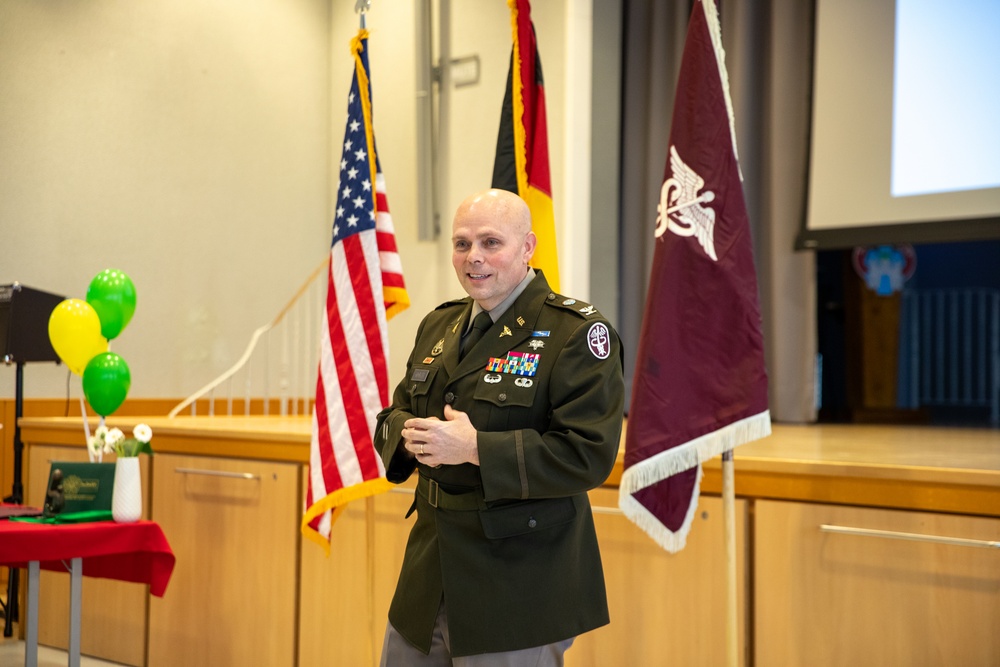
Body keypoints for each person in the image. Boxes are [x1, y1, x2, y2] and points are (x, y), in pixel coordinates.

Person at [374, 188, 625, 666]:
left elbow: (587, 455)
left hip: (517, 584)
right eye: (462, 244)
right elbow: (394, 415)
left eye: (491, 242)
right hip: (428, 576)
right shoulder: (439, 324)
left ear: (528, 247)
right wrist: (412, 435)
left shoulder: (576, 333)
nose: (474, 258)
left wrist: (476, 448)